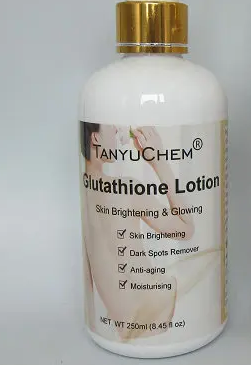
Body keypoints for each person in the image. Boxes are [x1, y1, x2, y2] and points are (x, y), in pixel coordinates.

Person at [80, 123, 194, 342]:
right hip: (157, 308)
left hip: (125, 327)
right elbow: (186, 229)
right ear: (95, 139)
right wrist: (158, 160)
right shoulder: (128, 190)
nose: (118, 132)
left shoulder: (85, 192)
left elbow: (89, 279)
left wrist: (99, 327)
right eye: (112, 129)